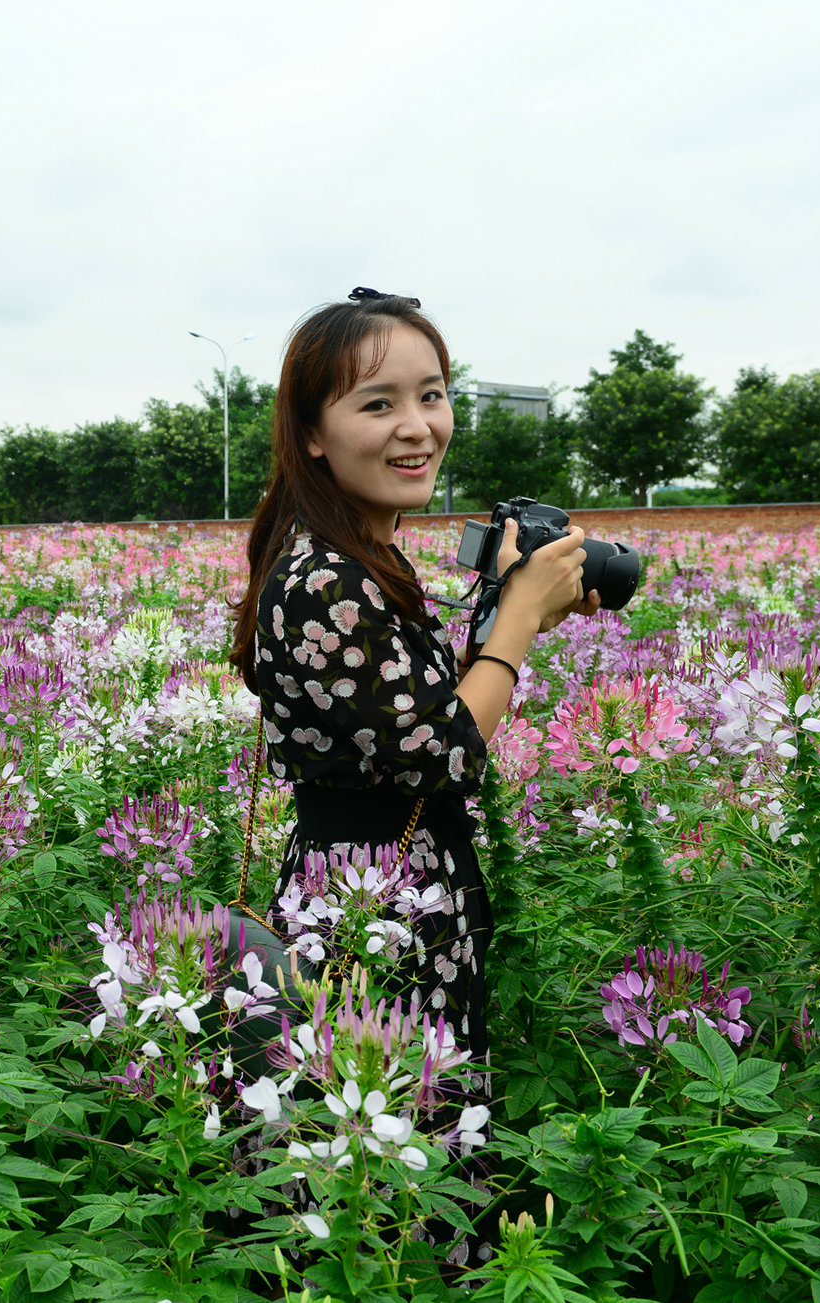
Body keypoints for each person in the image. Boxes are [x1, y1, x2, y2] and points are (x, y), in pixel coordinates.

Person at [228, 288, 599, 1112]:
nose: (418, 425)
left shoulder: (357, 557)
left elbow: (415, 716)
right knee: (386, 1156)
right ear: (313, 435)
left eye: (432, 394)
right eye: (379, 403)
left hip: (397, 895)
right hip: (372, 912)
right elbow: (445, 750)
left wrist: (511, 606)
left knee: (404, 1132)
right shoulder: (326, 579)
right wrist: (520, 620)